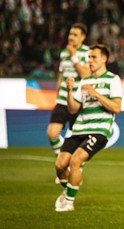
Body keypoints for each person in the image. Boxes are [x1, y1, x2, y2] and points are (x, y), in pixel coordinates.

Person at [54, 44, 122, 212]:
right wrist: (70, 91)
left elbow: (116, 108)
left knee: (75, 161)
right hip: (79, 130)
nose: (90, 61)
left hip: (98, 131)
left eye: (94, 57)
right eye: (89, 58)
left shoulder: (113, 80)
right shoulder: (84, 81)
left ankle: (69, 202)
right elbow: (73, 109)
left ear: (104, 59)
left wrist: (96, 94)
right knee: (60, 165)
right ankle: (68, 190)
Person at [47, 23, 90, 159]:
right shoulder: (63, 52)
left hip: (77, 101)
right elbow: (61, 75)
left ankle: (74, 168)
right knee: (52, 133)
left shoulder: (87, 53)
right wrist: (58, 92)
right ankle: (63, 162)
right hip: (62, 99)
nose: (71, 37)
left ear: (82, 37)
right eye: (70, 34)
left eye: (75, 35)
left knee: (77, 138)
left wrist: (74, 56)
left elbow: (85, 74)